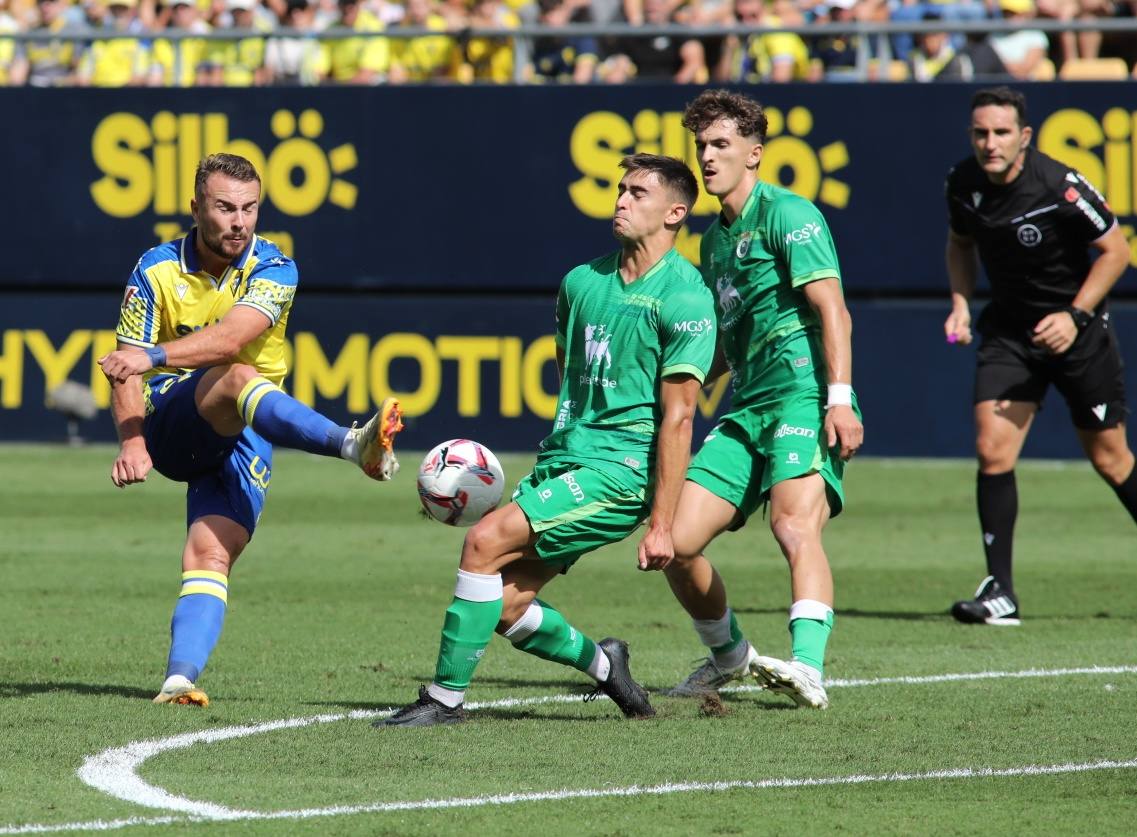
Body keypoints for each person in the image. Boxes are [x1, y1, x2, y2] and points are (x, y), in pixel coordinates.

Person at [380, 153, 716, 727]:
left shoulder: (686, 298)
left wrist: (661, 522)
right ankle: (609, 668)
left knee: (482, 543)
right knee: (506, 607)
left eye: (638, 193)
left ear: (675, 212)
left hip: (621, 473)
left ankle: (443, 701)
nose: (621, 200)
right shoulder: (581, 282)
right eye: (620, 189)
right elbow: (572, 372)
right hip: (566, 459)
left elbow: (680, 419)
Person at [98, 153, 404, 706]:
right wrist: (133, 439)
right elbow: (125, 365)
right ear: (196, 209)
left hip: (246, 431)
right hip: (175, 420)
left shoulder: (274, 266)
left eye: (250, 208)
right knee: (236, 377)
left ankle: (179, 679)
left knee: (211, 555)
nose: (239, 221)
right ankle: (351, 444)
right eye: (224, 208)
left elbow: (228, 337)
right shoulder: (155, 269)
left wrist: (154, 354)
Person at [652, 89, 863, 710]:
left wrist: (840, 399)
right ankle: (731, 657)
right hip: (747, 406)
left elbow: (834, 311)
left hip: (804, 394)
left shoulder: (790, 214)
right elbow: (724, 346)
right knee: (673, 540)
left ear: (755, 153)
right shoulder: (713, 243)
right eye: (702, 146)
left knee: (793, 524)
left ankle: (809, 669)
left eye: (721, 145)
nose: (708, 157)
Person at [943, 87, 1134, 625]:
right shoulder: (962, 183)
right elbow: (960, 244)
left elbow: (1116, 252)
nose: (990, 142)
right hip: (1010, 332)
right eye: (981, 132)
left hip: (1079, 334)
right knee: (992, 448)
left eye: (1001, 132)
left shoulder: (1060, 185)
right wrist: (960, 303)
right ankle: (1000, 592)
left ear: (1024, 136)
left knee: (1110, 458)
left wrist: (1073, 316)